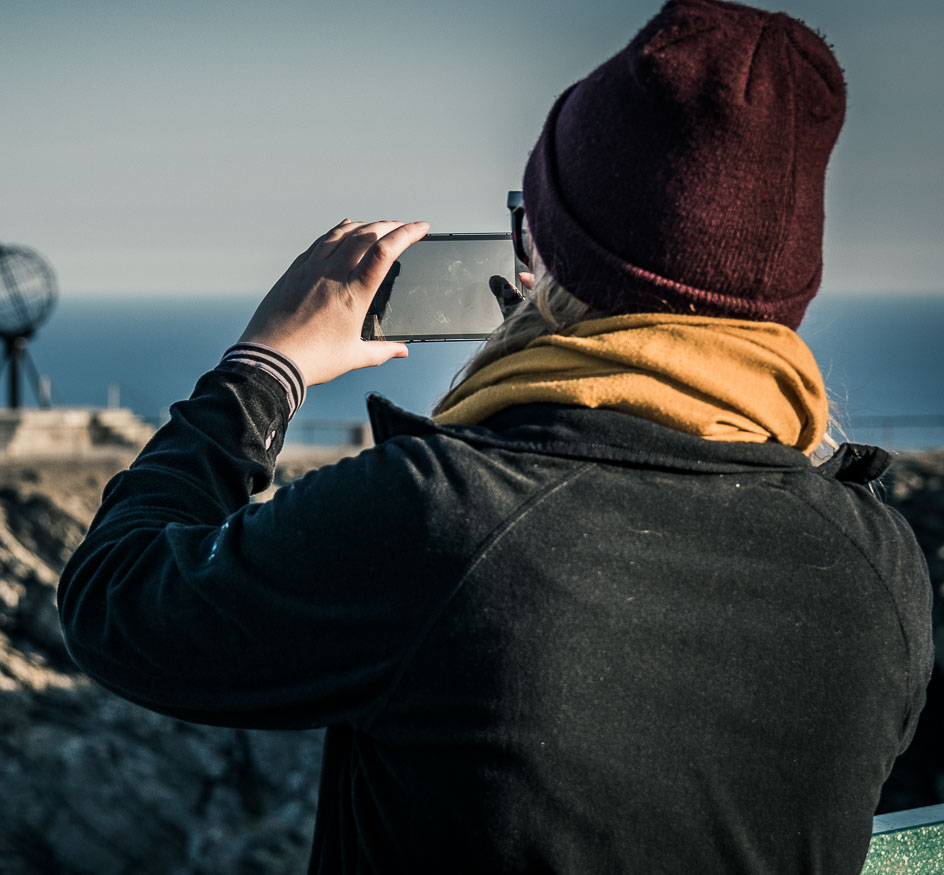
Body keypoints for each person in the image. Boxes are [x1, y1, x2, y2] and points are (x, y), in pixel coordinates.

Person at [58, 0, 934, 871]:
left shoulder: (441, 517)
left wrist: (265, 367)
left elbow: (117, 601)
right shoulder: (880, 569)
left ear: (550, 261)